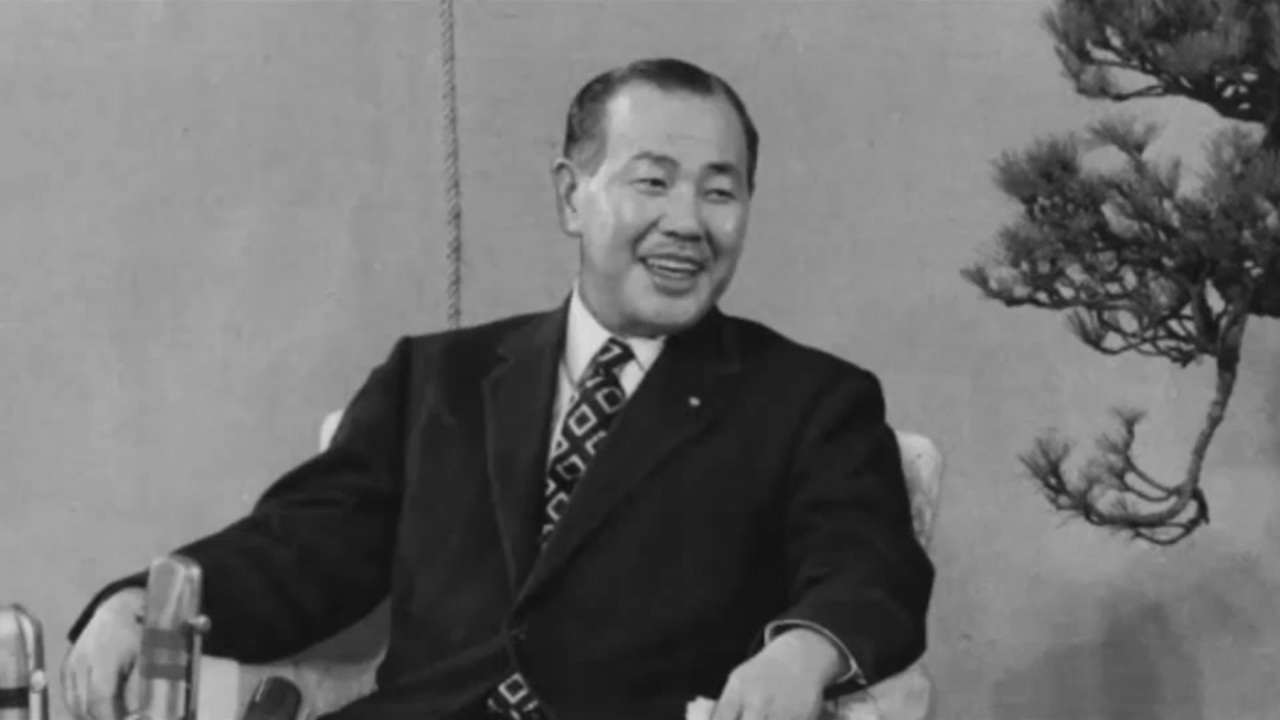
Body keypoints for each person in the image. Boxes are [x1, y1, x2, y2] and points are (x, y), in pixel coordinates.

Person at [61, 57, 934, 720]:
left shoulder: (812, 400)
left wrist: (804, 650)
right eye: (653, 181)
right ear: (571, 196)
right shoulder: (435, 379)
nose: (687, 223)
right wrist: (146, 602)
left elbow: (869, 566)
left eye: (721, 192)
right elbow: (300, 549)